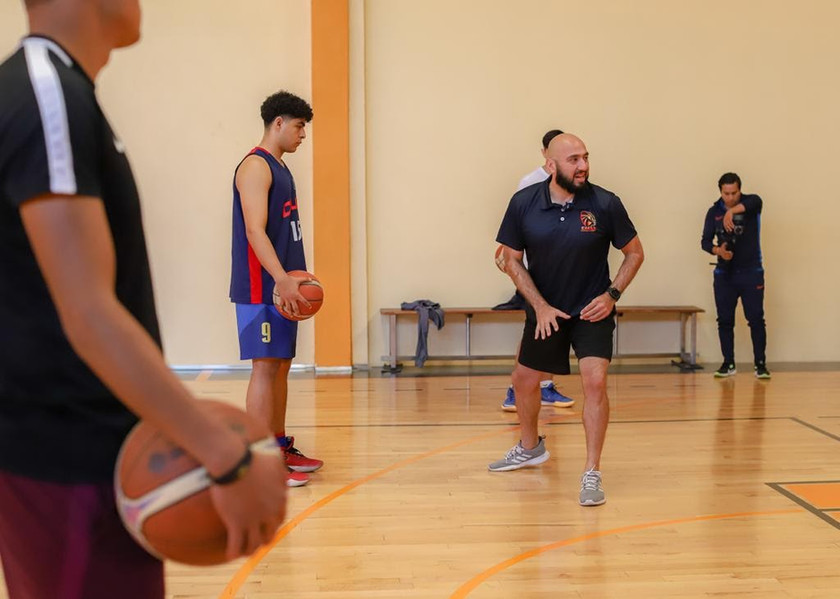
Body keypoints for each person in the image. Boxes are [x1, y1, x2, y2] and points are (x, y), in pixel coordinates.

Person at [0, 1, 287, 598]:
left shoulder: (60, 92)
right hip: (66, 452)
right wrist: (221, 453)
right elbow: (88, 311)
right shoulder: (48, 94)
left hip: (75, 448)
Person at [489, 133, 644, 508]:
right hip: (547, 310)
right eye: (573, 159)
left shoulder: (605, 203)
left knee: (595, 380)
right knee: (523, 381)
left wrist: (611, 296)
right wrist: (540, 306)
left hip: (592, 310)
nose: (583, 166)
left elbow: (635, 253)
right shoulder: (524, 203)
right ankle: (530, 448)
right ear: (550, 165)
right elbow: (509, 258)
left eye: (586, 157)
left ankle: (592, 471)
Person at [230, 91, 323, 488]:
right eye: (300, 126)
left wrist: (295, 276)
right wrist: (281, 278)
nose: (303, 135)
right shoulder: (256, 166)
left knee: (280, 365)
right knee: (265, 368)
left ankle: (278, 444)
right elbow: (254, 229)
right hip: (260, 287)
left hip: (283, 287)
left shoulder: (282, 169)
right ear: (278, 124)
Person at [500, 129, 575, 412]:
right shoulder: (529, 183)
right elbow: (519, 227)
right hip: (534, 273)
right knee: (532, 331)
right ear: (546, 153)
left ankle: (545, 386)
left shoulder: (573, 184)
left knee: (554, 329)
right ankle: (514, 388)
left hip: (563, 272)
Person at [701, 172, 770, 379]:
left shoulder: (751, 205)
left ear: (740, 190)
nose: (730, 197)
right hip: (724, 274)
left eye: (734, 192)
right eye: (726, 193)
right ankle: (728, 363)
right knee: (724, 320)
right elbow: (705, 242)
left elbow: (757, 200)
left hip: (751, 272)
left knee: (756, 319)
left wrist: (731, 213)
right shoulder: (713, 212)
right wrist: (719, 251)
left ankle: (760, 364)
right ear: (720, 191)